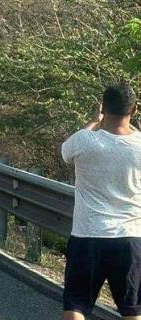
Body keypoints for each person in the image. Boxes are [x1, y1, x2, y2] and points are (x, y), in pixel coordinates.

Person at [61, 82, 141, 319]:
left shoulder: (84, 141)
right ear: (134, 110)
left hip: (87, 236)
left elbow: (66, 151)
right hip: (130, 237)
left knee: (75, 306)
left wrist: (94, 121)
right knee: (132, 311)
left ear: (103, 107)